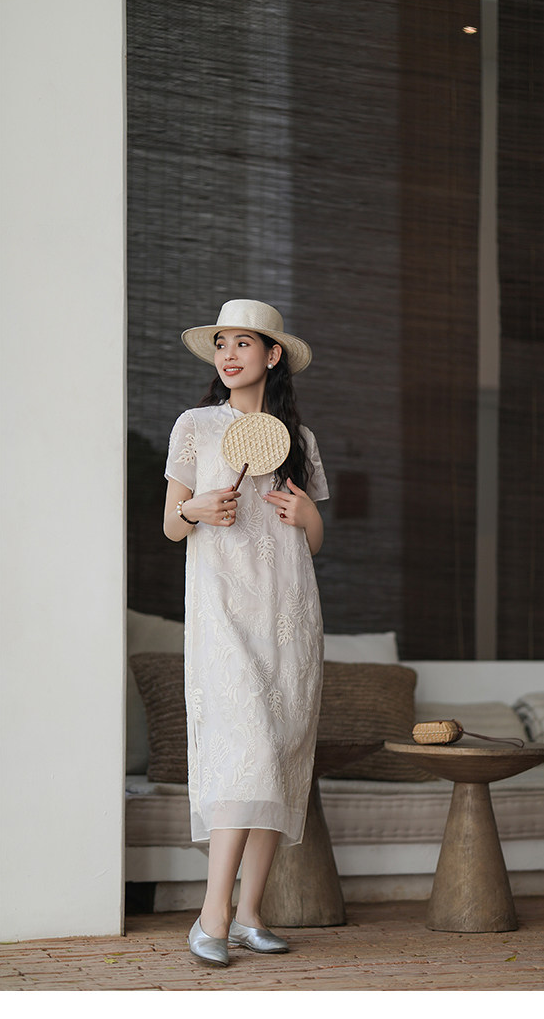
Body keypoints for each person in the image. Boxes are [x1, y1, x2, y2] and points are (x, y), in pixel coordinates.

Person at [163, 299, 329, 967]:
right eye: (221, 343)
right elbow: (171, 525)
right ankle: (212, 915)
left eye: (242, 343)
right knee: (246, 751)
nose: (228, 355)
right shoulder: (196, 426)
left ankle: (250, 914)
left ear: (272, 354)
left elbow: (311, 544)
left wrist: (308, 514)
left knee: (280, 756)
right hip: (223, 614)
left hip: (289, 616)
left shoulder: (299, 440)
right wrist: (196, 508)